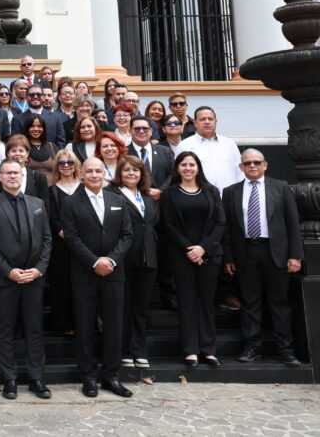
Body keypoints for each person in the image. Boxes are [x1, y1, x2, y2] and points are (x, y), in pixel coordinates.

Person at [59, 156, 133, 398]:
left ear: (105, 173)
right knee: (85, 325)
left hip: (114, 272)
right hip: (84, 273)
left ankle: (111, 376)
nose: (93, 175)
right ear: (82, 174)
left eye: (98, 171)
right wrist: (94, 261)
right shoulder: (70, 202)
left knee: (113, 325)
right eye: (89, 171)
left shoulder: (117, 200)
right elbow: (71, 237)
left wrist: (110, 260)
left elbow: (126, 235)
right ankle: (88, 377)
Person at [222, 149, 303, 366]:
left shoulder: (281, 187)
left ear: (265, 165)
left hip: (275, 252)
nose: (252, 166)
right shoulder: (230, 192)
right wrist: (228, 257)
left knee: (279, 302)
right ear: (241, 167)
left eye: (257, 162)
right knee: (250, 302)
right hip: (246, 252)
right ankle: (252, 347)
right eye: (247, 163)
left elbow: (292, 224)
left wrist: (296, 255)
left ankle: (285, 350)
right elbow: (227, 229)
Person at [0, 159, 52, 400]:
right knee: (6, 329)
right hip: (6, 279)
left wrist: (39, 269)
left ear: (23, 175)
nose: (12, 176)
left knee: (34, 328)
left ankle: (36, 378)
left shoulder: (37, 203)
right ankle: (9, 379)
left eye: (16, 172)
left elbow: (47, 240)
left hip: (34, 277)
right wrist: (7, 270)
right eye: (7, 173)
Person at [160, 151, 225, 368]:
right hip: (181, 255)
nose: (188, 168)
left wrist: (203, 248)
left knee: (206, 303)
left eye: (192, 164)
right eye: (184, 165)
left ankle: (208, 350)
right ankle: (190, 351)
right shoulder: (169, 193)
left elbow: (220, 223)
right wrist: (190, 249)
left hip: (209, 255)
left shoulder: (211, 191)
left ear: (198, 167)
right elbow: (168, 225)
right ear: (177, 168)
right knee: (187, 302)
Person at [110, 156, 159, 370]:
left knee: (141, 308)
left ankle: (140, 350)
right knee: (123, 308)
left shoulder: (148, 197)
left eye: (136, 170)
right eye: (127, 170)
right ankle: (124, 351)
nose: (131, 174)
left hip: (148, 259)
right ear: (120, 173)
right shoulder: (111, 195)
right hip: (124, 259)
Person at [47, 149, 80, 335]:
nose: (66, 166)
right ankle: (64, 323)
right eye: (62, 163)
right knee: (62, 283)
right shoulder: (52, 190)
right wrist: (65, 233)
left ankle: (81, 322)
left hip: (84, 244)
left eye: (70, 163)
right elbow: (52, 217)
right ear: (57, 167)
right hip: (61, 244)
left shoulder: (84, 187)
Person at [175, 106, 243, 191]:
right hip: (199, 198)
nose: (207, 122)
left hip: (228, 197)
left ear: (216, 121)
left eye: (210, 119)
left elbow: (240, 171)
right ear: (195, 123)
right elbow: (178, 174)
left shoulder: (229, 144)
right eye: (202, 119)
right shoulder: (184, 145)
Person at [128, 115, 173, 197]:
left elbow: (173, 173)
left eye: (145, 128)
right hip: (133, 199)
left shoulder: (166, 151)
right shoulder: (123, 153)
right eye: (137, 128)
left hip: (161, 200)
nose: (141, 131)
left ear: (151, 131)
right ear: (130, 131)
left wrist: (161, 190)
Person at [21, 113, 58, 181]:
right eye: (32, 126)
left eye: (39, 126)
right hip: (31, 189)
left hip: (52, 189)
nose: (36, 129)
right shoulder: (22, 147)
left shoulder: (52, 147)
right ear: (27, 128)